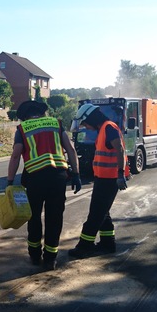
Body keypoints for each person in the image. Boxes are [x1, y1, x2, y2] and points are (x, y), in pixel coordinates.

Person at [7, 100, 81, 270]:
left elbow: (15, 156)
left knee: (33, 217)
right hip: (58, 177)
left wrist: (10, 181)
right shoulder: (56, 124)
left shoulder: (23, 129)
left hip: (35, 178)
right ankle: (50, 259)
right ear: (42, 112)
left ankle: (34, 255)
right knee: (54, 217)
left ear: (24, 117)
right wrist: (76, 174)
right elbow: (70, 149)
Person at [68, 103, 129, 259]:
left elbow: (120, 149)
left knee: (95, 214)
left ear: (91, 118)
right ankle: (108, 244)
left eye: (85, 124)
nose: (86, 127)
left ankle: (84, 247)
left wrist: (120, 174)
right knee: (103, 213)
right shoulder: (103, 129)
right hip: (103, 178)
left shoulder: (109, 128)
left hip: (110, 180)